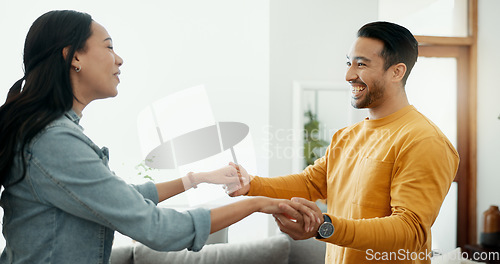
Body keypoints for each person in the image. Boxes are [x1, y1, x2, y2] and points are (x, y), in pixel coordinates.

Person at [0, 10, 318, 264]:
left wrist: (196, 178)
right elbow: (159, 229)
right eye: (109, 46)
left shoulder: (51, 136)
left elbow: (121, 196)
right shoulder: (55, 142)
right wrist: (257, 203)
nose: (119, 59)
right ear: (74, 57)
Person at [229, 21, 460, 264]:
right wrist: (249, 184)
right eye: (349, 63)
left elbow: (410, 231)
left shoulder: (424, 140)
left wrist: (324, 227)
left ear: (397, 72)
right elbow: (311, 183)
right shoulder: (346, 136)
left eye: (361, 64)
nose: (349, 75)